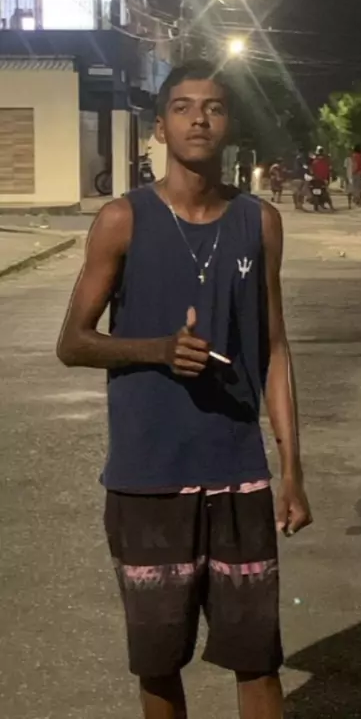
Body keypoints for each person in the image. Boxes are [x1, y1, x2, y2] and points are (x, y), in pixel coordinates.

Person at [56, 60, 312, 719]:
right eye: (183, 107)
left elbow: (275, 349)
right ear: (161, 128)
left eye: (214, 107)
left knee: (258, 660)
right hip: (148, 480)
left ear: (230, 125)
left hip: (238, 477)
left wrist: (291, 470)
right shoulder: (123, 219)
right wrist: (157, 350)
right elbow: (73, 342)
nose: (199, 118)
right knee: (160, 662)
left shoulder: (260, 221)